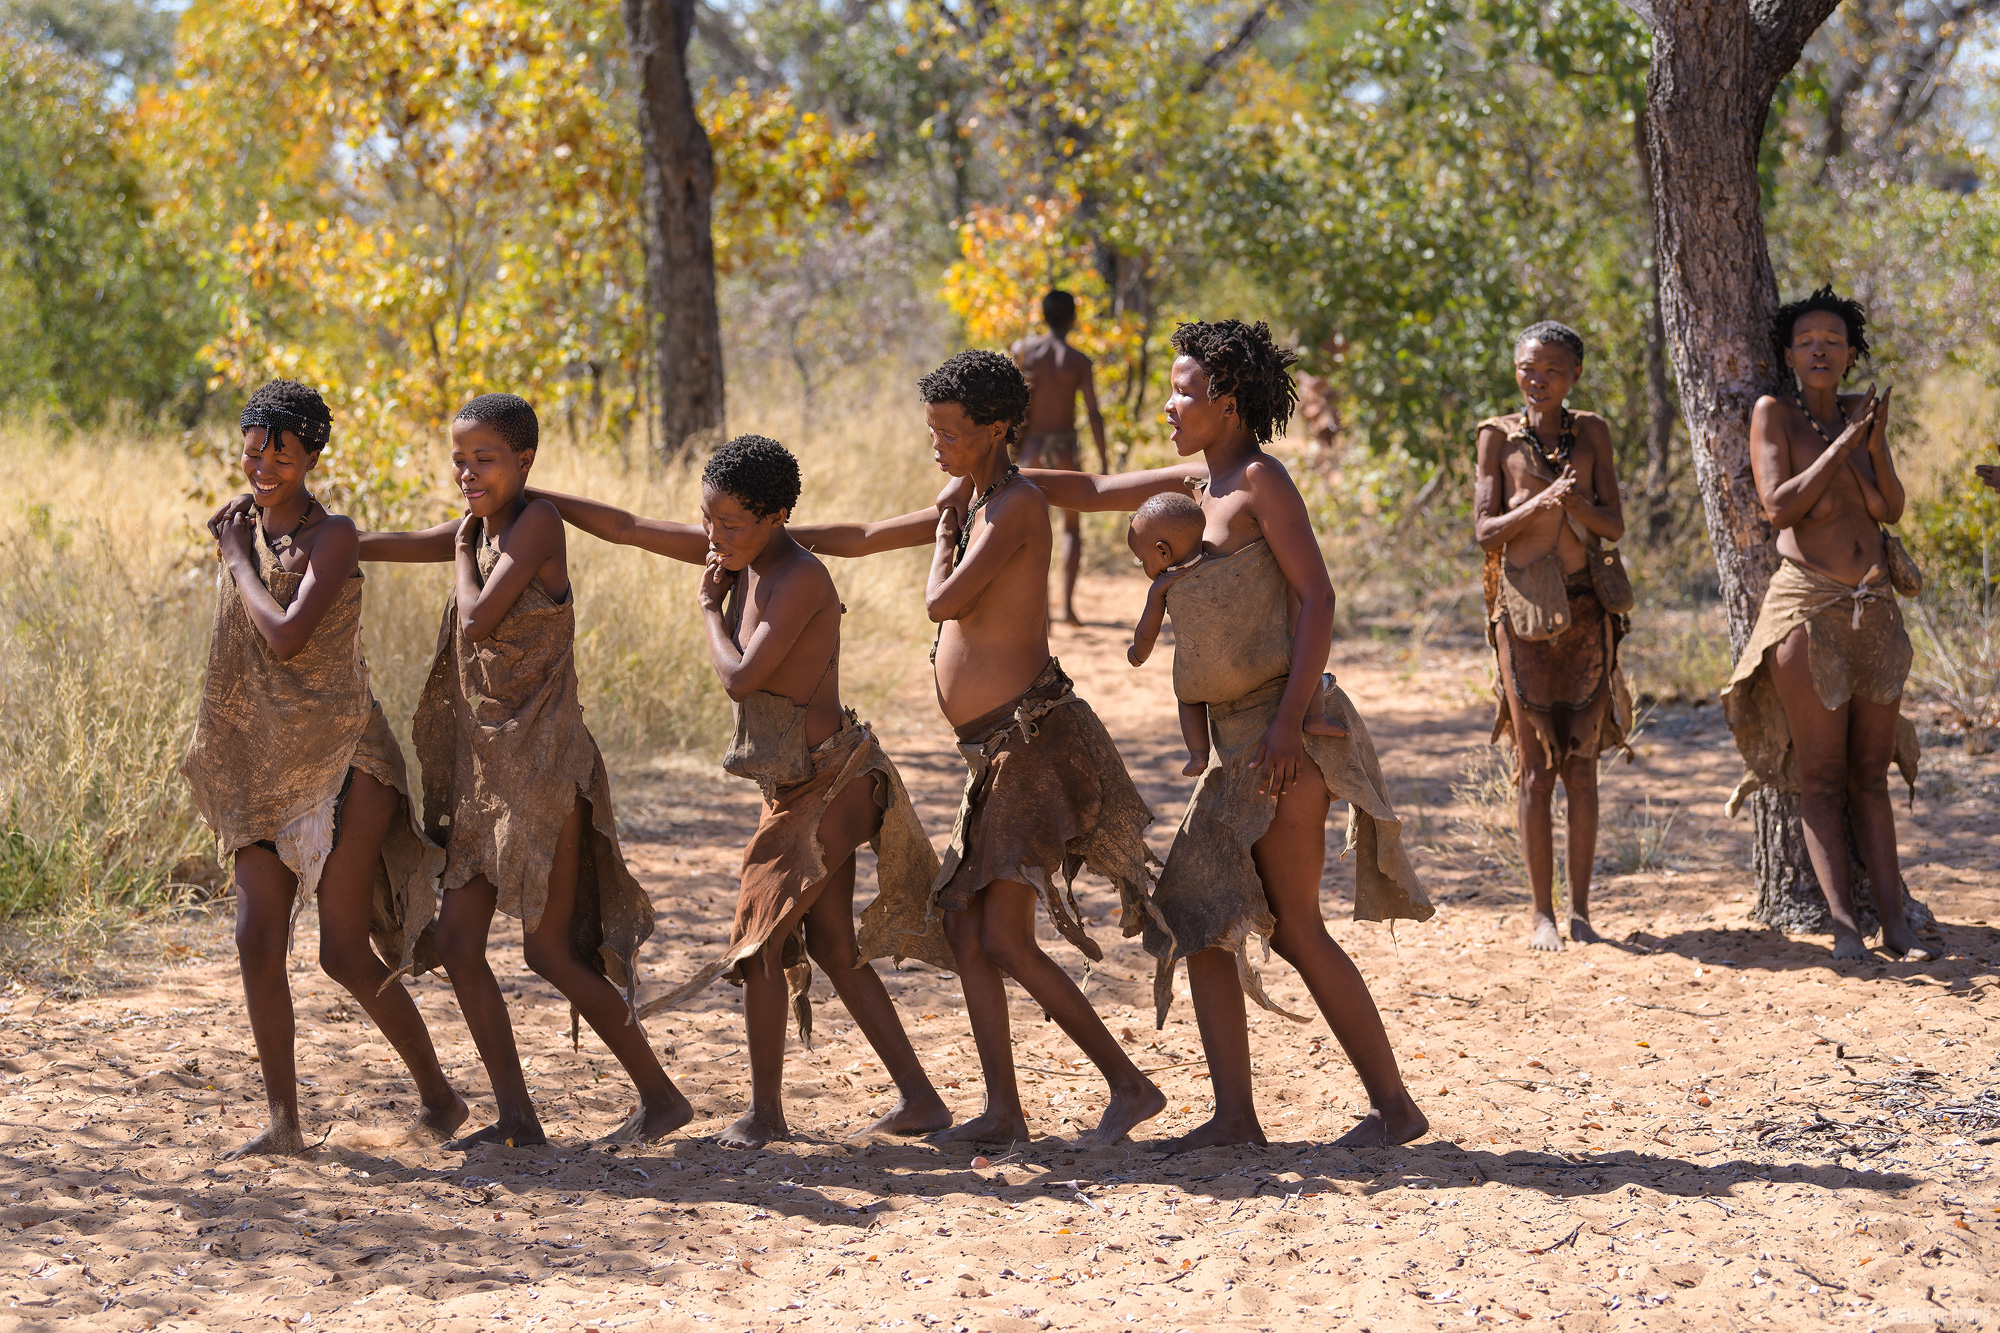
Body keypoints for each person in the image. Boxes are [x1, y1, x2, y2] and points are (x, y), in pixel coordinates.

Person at [1024, 319, 1432, 1151]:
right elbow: (1096, 487)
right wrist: (996, 475)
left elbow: (1316, 599)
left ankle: (1392, 1109)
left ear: (1228, 401)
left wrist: (1285, 728)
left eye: (1183, 392)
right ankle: (1237, 1117)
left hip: (1285, 740)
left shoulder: (1260, 483)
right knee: (1196, 917)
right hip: (1239, 748)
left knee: (1291, 925)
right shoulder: (1194, 486)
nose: (1169, 407)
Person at [525, 436, 954, 1150]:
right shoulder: (739, 555)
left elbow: (741, 676)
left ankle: (765, 1114)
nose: (714, 539)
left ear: (777, 515)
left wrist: (706, 609)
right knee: (833, 946)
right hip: (797, 782)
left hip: (832, 779)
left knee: (759, 946)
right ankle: (920, 1099)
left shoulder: (798, 578)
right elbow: (629, 528)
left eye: (731, 526)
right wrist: (540, 500)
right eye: (707, 522)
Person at [791, 350, 1168, 1147]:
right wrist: (775, 535)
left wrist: (942, 530)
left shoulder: (1011, 508)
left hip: (1032, 742)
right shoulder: (969, 496)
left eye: (953, 433)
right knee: (968, 928)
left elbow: (944, 596)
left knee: (997, 935)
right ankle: (1005, 1109)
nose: (938, 446)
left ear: (997, 429)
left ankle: (1128, 1084)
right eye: (932, 430)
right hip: (994, 753)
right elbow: (860, 537)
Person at [367, 393, 693, 1146]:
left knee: (546, 951)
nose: (466, 472)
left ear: (524, 461)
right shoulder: (481, 526)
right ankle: (517, 1117)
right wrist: (340, 540)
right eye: (459, 459)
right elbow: (424, 540)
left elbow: (478, 615)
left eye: (484, 458)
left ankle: (662, 1095)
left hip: (543, 771)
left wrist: (457, 546)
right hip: (487, 774)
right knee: (456, 943)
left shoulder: (534, 523)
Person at [187, 380, 465, 1159]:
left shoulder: (330, 536)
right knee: (253, 934)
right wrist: (240, 549)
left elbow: (284, 637)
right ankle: (284, 1123)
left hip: (346, 758)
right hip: (264, 764)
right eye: (253, 445)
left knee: (342, 951)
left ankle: (442, 1097)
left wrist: (238, 558)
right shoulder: (243, 525)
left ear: (311, 455)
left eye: (283, 449)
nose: (264, 462)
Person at [1722, 286, 1930, 962]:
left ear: (1849, 355)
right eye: (1806, 339)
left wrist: (1872, 438)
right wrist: (1843, 442)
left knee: (1870, 772)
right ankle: (1844, 926)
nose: (1819, 347)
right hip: (1808, 605)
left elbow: (1888, 507)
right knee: (1821, 774)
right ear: (1788, 353)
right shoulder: (1772, 414)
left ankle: (1895, 923)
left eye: (1833, 340)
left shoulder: (1857, 415)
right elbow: (1779, 506)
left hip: (1874, 607)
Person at [1471, 321, 1633, 952]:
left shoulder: (1590, 432)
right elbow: (1486, 532)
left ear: (1575, 376)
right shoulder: (1496, 437)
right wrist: (1539, 506)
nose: (1536, 380)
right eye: (1527, 368)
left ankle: (1584, 912)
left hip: (1589, 612)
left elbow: (1613, 525)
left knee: (1584, 768)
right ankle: (1542, 912)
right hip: (1524, 614)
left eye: (1551, 370)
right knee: (1535, 769)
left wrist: (1570, 502)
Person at [1125, 490, 1348, 778]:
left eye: (1142, 560)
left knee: (1187, 700)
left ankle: (1197, 754)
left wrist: (1137, 654)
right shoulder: (1226, 563)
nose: (1145, 567)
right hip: (1260, 668)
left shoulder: (1163, 586)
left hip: (1201, 683)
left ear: (1163, 552)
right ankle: (1316, 716)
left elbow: (1146, 632)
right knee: (1301, 659)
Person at [1012, 290, 1111, 627]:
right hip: (1065, 450)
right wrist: (1104, 460)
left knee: (1025, 530)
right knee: (1071, 530)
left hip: (1032, 451)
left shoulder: (1024, 351)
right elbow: (1094, 413)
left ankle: (1040, 612)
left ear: (1043, 315)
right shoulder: (1078, 361)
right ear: (1073, 319)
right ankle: (1066, 608)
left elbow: (1013, 406)